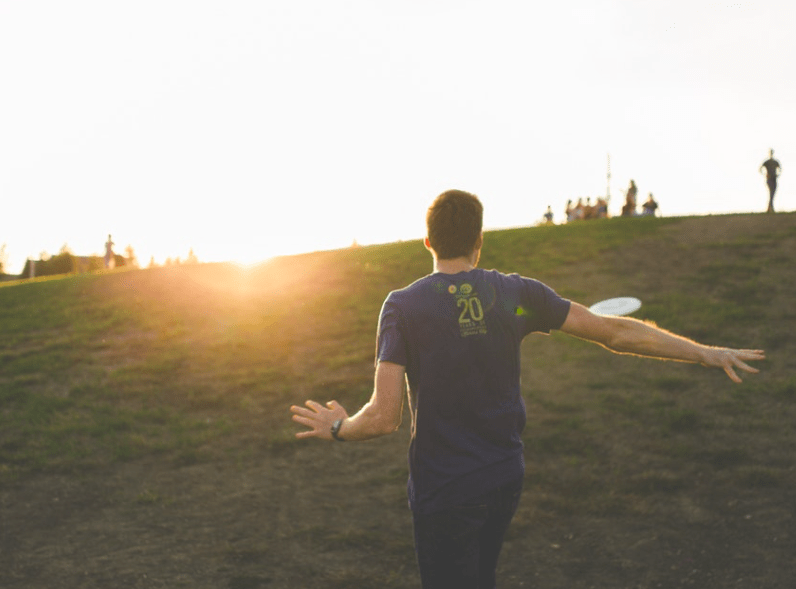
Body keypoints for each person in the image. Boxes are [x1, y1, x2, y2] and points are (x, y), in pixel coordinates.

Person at [290, 189, 764, 589]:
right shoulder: (515, 294)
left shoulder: (402, 306)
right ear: (480, 241)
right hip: (503, 478)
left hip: (446, 491)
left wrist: (337, 427)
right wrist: (705, 351)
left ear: (428, 241)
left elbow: (383, 417)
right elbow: (612, 332)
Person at [759, 149, 781, 213]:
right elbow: (760, 168)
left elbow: (780, 169)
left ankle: (769, 208)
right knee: (771, 193)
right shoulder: (767, 162)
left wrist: (777, 175)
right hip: (769, 179)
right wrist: (765, 174)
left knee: (772, 193)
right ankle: (771, 207)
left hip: (774, 178)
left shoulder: (775, 162)